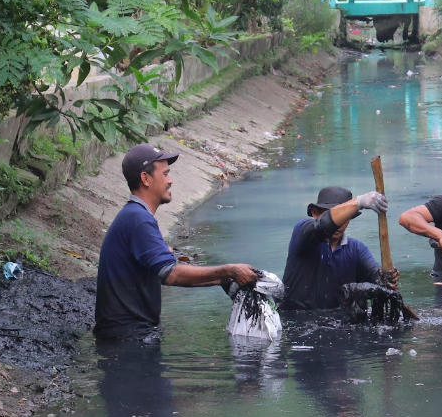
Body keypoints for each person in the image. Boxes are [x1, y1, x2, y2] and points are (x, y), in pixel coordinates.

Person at [94, 143, 260, 340]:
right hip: (128, 340)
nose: (171, 180)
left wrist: (222, 280)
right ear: (145, 178)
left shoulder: (134, 216)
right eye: (165, 174)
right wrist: (229, 270)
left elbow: (161, 273)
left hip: (124, 336)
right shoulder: (139, 219)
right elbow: (170, 275)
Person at [281, 186, 394, 310]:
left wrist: (386, 277)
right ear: (315, 213)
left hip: (340, 323)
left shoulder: (356, 249)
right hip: (297, 322)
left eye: (344, 218)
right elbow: (323, 226)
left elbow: (374, 275)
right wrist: (359, 202)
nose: (338, 224)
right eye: (337, 216)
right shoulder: (302, 233)